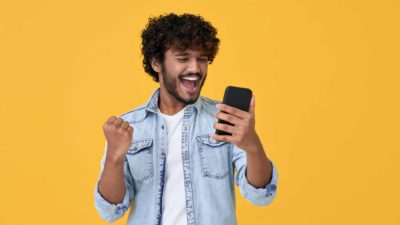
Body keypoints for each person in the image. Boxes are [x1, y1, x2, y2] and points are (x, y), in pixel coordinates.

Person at [94, 13, 278, 225]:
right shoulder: (130, 127)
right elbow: (110, 210)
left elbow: (262, 195)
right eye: (183, 58)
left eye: (202, 59)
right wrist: (113, 160)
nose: (195, 68)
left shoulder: (225, 118)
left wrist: (253, 145)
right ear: (156, 63)